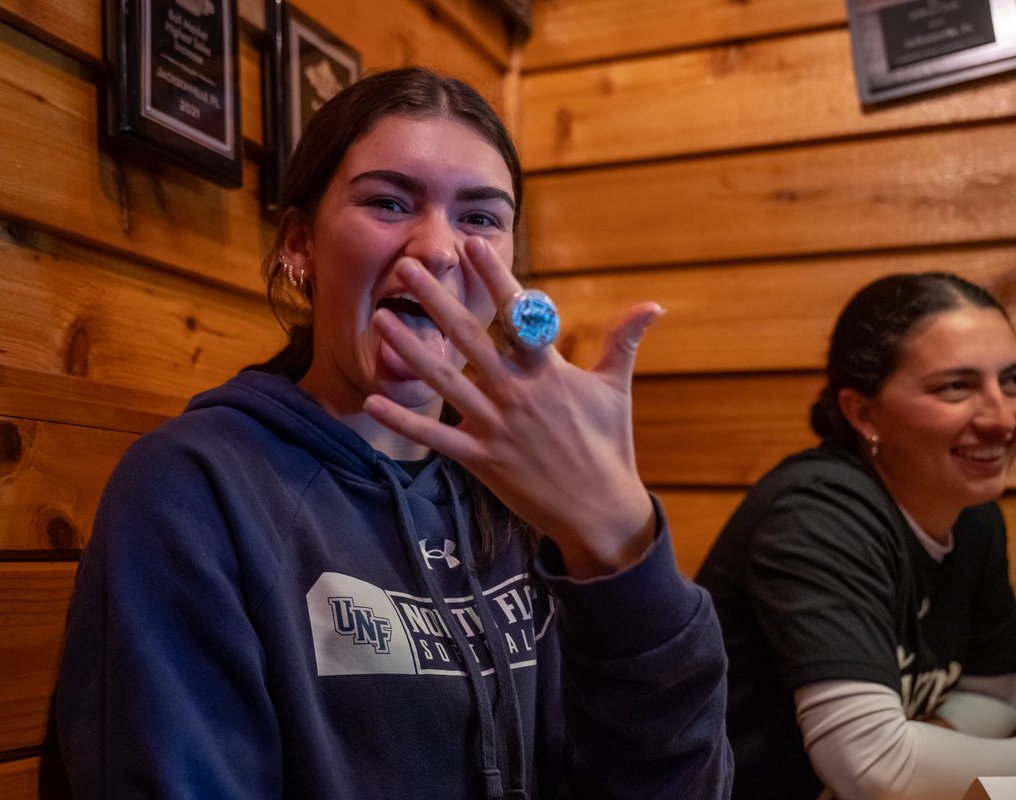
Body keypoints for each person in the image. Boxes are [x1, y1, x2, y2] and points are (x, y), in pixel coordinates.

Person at [49, 66, 732, 799]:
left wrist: (620, 544)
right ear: (301, 245)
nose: (437, 248)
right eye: (388, 202)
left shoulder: (523, 500)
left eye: (480, 218)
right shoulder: (194, 487)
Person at [696, 272, 1016, 800]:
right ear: (863, 413)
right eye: (956, 387)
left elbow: (995, 691)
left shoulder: (972, 514)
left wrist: (930, 753)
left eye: (1010, 381)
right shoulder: (816, 513)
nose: (1001, 418)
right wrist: (917, 769)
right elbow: (872, 766)